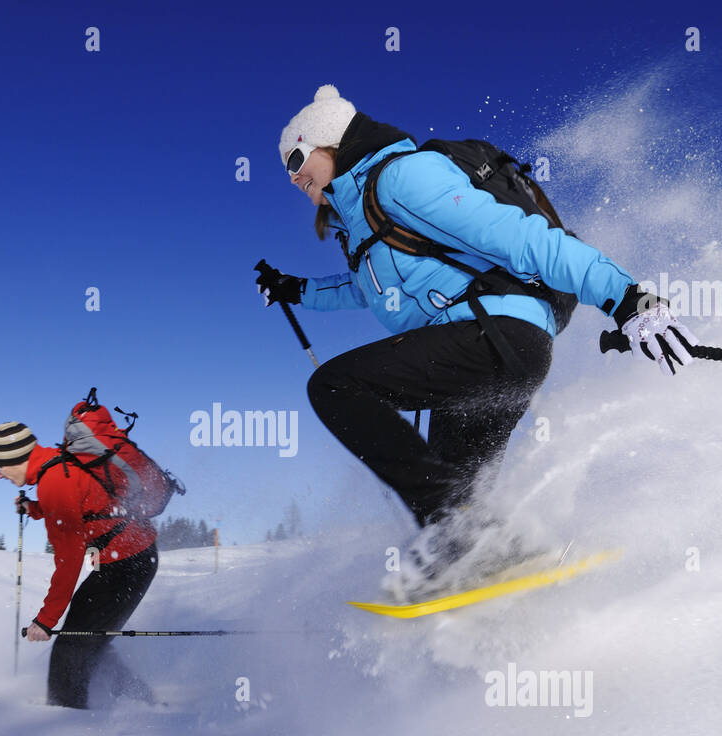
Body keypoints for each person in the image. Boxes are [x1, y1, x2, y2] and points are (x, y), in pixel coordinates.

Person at [257, 85, 697, 591]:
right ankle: (498, 587)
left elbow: (522, 238)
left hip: (495, 338)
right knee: (459, 508)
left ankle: (461, 532)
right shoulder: (359, 226)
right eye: (285, 168)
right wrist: (298, 290)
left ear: (331, 141)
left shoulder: (403, 177)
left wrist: (627, 299)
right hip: (478, 364)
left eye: (296, 157)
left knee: (336, 387)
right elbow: (365, 291)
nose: (293, 176)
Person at [0, 421, 158, 708]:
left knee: (72, 647)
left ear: (15, 457)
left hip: (128, 565)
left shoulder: (54, 481)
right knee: (85, 635)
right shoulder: (56, 466)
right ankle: (140, 700)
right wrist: (34, 508)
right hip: (128, 558)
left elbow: (69, 560)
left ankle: (67, 727)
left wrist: (45, 620)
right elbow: (81, 505)